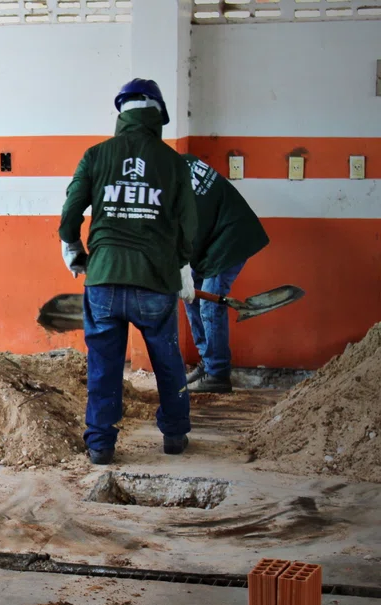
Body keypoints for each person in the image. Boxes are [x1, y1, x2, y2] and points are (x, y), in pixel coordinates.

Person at [58, 79, 199, 465]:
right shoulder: (173, 163)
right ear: (158, 117)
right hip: (155, 282)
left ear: (122, 114)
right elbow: (188, 224)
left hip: (103, 279)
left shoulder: (96, 155)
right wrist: (183, 264)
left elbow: (71, 213)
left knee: (104, 365)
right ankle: (174, 435)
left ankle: (101, 444)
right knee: (167, 361)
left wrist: (73, 246)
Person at [181, 154, 270, 393]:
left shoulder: (172, 180)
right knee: (192, 296)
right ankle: (208, 362)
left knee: (209, 303)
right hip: (213, 238)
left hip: (232, 236)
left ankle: (218, 374)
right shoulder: (178, 163)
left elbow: (187, 233)